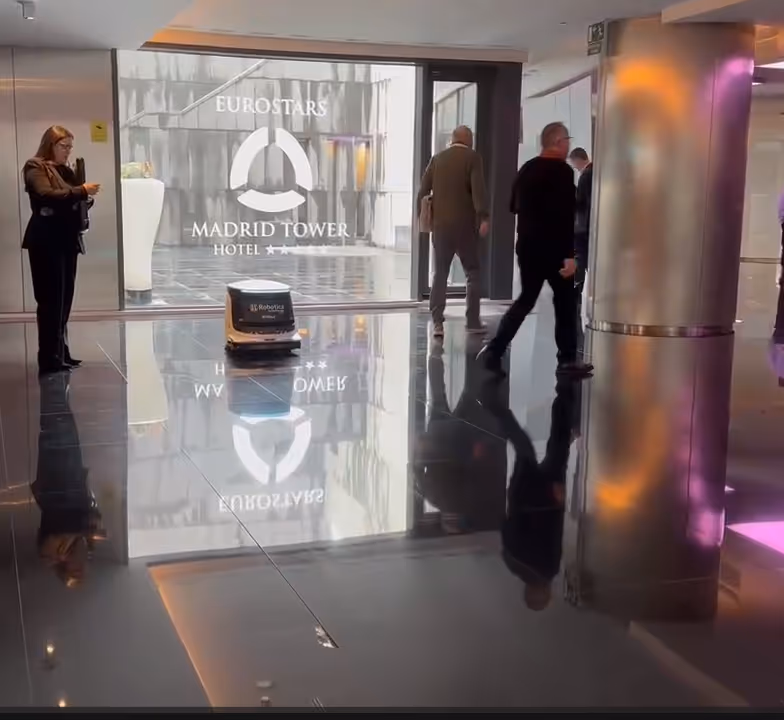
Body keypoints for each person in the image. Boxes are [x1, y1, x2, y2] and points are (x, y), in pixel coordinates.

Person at [479, 122, 593, 378]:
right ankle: (566, 361)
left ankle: (494, 351)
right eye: (566, 140)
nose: (568, 145)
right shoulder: (562, 172)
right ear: (556, 142)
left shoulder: (527, 169)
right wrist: (569, 255)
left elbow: (513, 206)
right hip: (553, 249)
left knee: (526, 300)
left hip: (528, 248)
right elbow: (564, 218)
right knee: (565, 301)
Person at [483, 380, 579, 611]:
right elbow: (505, 524)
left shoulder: (549, 569)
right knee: (523, 446)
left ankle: (566, 391)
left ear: (541, 594)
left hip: (546, 498)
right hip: (522, 494)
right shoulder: (511, 563)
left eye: (546, 596)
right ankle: (492, 402)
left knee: (559, 445)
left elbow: (553, 532)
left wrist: (559, 501)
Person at [22, 126, 100, 375]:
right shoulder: (35, 167)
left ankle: (61, 352)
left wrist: (85, 199)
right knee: (50, 301)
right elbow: (46, 194)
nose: (67, 151)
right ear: (50, 145)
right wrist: (81, 191)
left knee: (64, 300)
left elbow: (69, 198)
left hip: (66, 240)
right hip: (46, 241)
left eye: (69, 146)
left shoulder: (65, 170)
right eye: (63, 146)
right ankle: (49, 356)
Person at [417, 125, 490, 339]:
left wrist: (421, 216)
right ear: (469, 140)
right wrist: (484, 217)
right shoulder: (473, 158)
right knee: (473, 273)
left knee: (440, 273)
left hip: (441, 227)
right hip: (466, 227)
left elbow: (423, 189)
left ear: (452, 139)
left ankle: (438, 323)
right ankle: (473, 321)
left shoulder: (437, 159)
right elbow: (479, 190)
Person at [569, 147, 593, 304]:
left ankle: (576, 289)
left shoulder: (585, 176)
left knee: (580, 258)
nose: (575, 167)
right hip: (589, 226)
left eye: (574, 164)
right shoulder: (595, 172)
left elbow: (582, 203)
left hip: (583, 227)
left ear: (578, 160)